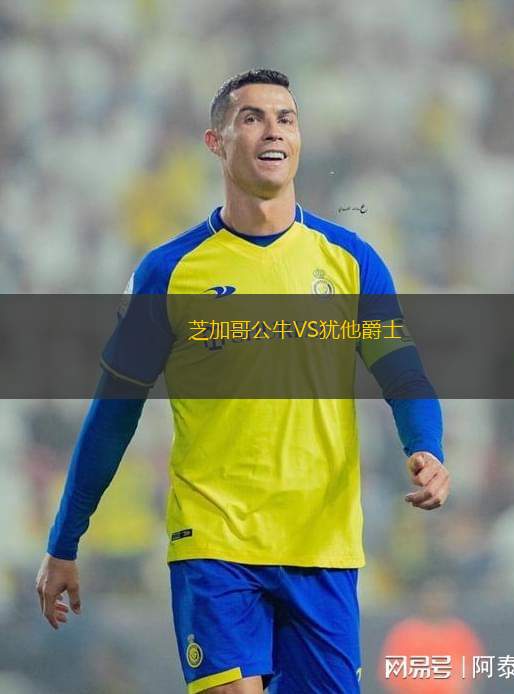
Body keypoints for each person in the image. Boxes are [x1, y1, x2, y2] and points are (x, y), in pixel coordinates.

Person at [35, 69, 450, 694]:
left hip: (323, 545)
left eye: (286, 118)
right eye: (252, 117)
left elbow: (404, 374)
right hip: (215, 542)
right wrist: (65, 540)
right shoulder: (170, 272)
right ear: (216, 141)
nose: (273, 130)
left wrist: (427, 447)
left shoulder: (351, 261)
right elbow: (114, 412)